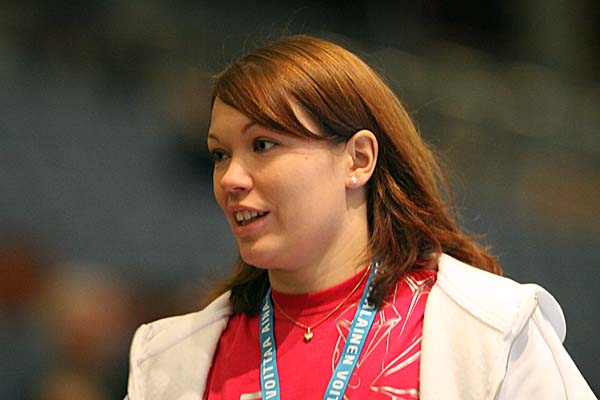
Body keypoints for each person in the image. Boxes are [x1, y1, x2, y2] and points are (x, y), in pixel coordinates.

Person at [124, 35, 596, 400]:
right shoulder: (169, 361)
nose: (230, 178)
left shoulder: (488, 328)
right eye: (220, 154)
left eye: (262, 145)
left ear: (358, 160)